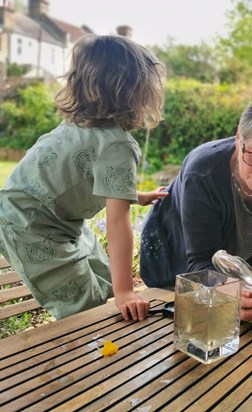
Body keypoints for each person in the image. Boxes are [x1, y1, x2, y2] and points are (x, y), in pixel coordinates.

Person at [0, 35, 167, 321]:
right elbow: (116, 223)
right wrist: (126, 291)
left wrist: (135, 197)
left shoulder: (78, 124)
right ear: (130, 90)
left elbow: (83, 179)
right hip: (30, 226)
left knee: (103, 277)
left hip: (45, 217)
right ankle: (78, 356)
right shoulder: (118, 144)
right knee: (85, 306)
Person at [139, 91, 252, 319]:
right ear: (239, 137)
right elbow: (199, 262)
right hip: (172, 268)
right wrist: (233, 294)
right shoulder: (203, 172)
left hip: (226, 272)